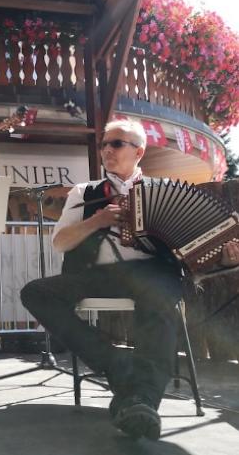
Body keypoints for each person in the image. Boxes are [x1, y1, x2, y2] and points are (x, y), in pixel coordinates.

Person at [20, 119, 239, 441]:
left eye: (117, 144)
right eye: (105, 144)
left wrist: (224, 257)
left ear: (139, 152)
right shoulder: (85, 193)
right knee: (35, 293)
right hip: (98, 275)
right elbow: (60, 243)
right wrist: (98, 220)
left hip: (153, 272)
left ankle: (141, 401)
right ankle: (117, 364)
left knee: (159, 298)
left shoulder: (165, 192)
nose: (108, 149)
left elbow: (194, 253)